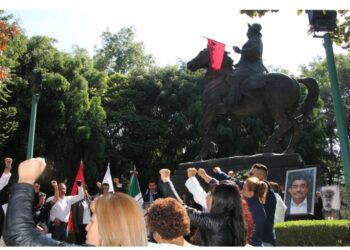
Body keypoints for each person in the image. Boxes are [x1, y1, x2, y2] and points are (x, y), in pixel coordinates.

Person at [3, 157, 148, 246]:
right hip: (52, 226)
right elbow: (51, 203)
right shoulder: (52, 198)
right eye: (61, 189)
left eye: (93, 222)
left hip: (63, 227)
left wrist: (25, 181)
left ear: (112, 229)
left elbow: (19, 238)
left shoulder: (68, 199)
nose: (87, 227)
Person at [159, 168, 248, 246]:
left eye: (210, 194)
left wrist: (166, 181)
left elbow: (181, 208)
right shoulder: (234, 217)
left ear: (219, 200)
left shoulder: (216, 221)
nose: (206, 196)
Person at [224, 23, 268, 106]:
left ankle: (232, 100)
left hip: (252, 67)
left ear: (252, 31)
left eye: (248, 30)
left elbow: (256, 51)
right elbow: (246, 58)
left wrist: (240, 51)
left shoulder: (256, 39)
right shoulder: (252, 40)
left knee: (234, 77)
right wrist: (238, 64)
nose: (247, 32)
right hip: (247, 65)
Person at [248, 163, 276, 246]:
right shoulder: (260, 191)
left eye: (251, 174)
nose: (249, 176)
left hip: (263, 241)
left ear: (261, 176)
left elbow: (258, 219)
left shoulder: (267, 193)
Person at [241, 176, 267, 246]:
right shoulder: (259, 205)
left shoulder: (246, 205)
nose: (241, 191)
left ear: (251, 193)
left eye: (244, 189)